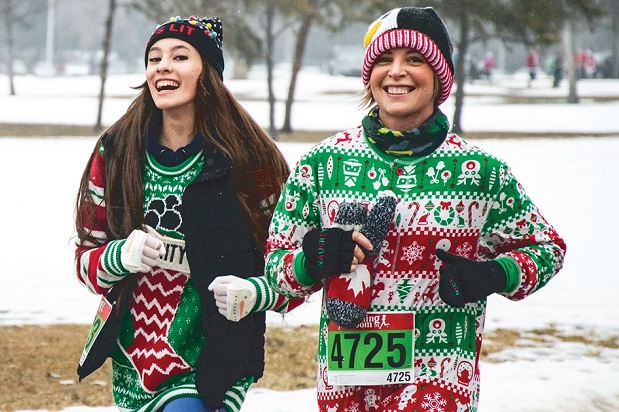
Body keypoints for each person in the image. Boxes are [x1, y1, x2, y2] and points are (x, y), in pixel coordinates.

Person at [213, 6, 567, 411]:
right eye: (384, 60)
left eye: (414, 59)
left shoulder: (481, 172)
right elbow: (277, 268)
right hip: (346, 387)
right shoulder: (323, 164)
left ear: (440, 77)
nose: (396, 71)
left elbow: (547, 247)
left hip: (440, 379)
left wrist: (493, 274)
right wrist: (312, 260)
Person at [73, 15, 299, 412]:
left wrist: (255, 292)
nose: (163, 66)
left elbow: (292, 270)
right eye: (154, 58)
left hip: (214, 358)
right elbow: (85, 261)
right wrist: (120, 255)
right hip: (133, 364)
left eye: (180, 56)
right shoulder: (117, 151)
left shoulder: (250, 159)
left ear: (207, 72)